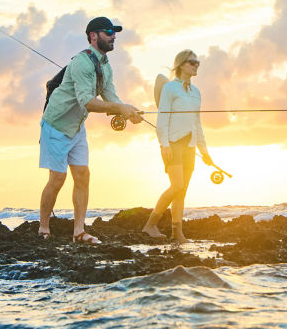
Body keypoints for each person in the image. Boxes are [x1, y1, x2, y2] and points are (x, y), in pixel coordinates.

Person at [38, 17, 143, 244]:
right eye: (108, 32)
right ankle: (43, 228)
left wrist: (127, 111)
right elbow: (87, 101)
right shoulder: (81, 63)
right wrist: (119, 108)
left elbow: (111, 97)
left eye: (115, 32)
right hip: (56, 125)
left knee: (83, 176)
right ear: (93, 36)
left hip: (76, 128)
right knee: (57, 178)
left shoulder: (105, 65)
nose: (113, 35)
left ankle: (79, 232)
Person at [142, 49, 213, 243]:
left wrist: (204, 151)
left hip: (190, 146)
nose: (196, 65)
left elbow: (197, 124)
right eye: (192, 62)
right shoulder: (170, 88)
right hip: (172, 144)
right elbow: (162, 119)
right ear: (181, 64)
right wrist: (164, 144)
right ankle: (150, 225)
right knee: (177, 186)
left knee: (182, 190)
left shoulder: (196, 92)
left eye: (198, 62)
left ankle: (177, 233)